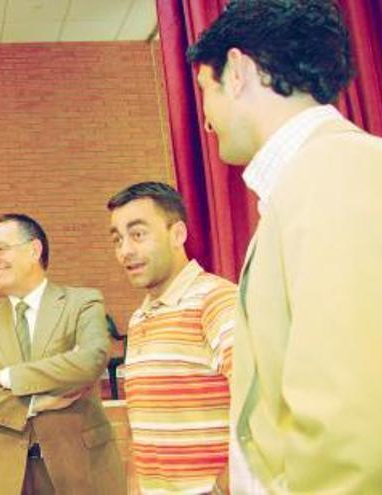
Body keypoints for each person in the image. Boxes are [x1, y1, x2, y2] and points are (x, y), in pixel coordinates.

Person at [188, 0, 382, 492]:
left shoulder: (335, 174)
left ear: (237, 72)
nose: (206, 122)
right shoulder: (307, 179)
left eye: (205, 91)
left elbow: (350, 419)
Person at [0, 213, 125, 494]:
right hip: (5, 475)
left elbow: (89, 361)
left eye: (0, 249)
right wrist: (35, 404)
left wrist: (4, 377)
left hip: (80, 467)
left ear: (34, 249)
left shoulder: (82, 302)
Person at [108, 182, 236, 494]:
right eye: (117, 239)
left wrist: (221, 490)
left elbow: (266, 408)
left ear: (177, 234)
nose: (125, 250)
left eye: (138, 234)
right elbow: (141, 425)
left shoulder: (217, 301)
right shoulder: (140, 317)